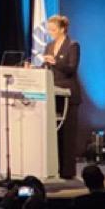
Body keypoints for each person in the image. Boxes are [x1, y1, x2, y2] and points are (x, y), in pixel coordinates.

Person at [42, 14, 81, 180]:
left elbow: (71, 68)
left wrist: (55, 62)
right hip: (52, 93)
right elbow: (46, 67)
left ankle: (68, 172)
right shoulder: (49, 46)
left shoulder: (73, 45)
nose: (50, 32)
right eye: (49, 29)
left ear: (62, 29)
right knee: (54, 134)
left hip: (68, 94)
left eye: (53, 29)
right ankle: (54, 168)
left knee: (67, 135)